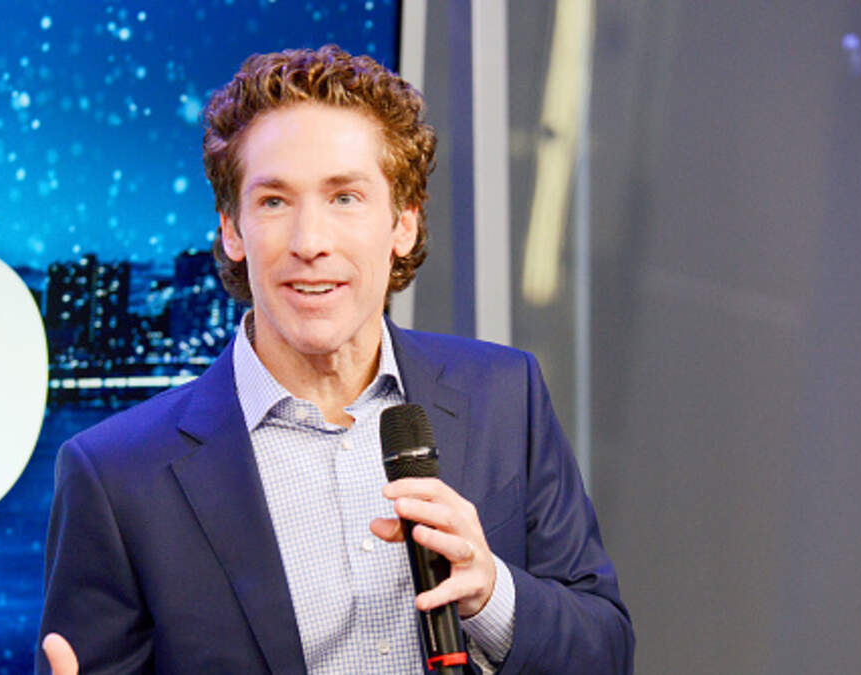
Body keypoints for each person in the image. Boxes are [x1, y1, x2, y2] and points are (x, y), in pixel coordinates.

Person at [38, 44, 633, 674]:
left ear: (403, 223)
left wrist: (491, 593)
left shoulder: (507, 395)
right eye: (274, 201)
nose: (310, 242)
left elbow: (606, 651)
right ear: (232, 231)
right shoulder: (116, 476)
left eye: (345, 197)